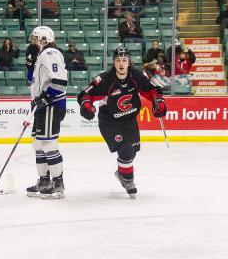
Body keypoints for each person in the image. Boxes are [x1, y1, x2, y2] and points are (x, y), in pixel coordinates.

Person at [77, 47, 166, 198]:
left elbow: (152, 91)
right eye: (118, 60)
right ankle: (128, 181)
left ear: (129, 62)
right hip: (109, 121)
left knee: (133, 152)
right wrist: (86, 105)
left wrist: (159, 102)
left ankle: (121, 173)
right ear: (114, 62)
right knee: (126, 150)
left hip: (129, 120)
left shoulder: (137, 75)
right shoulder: (105, 79)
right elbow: (86, 94)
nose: (121, 64)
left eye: (124, 60)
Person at [26, 26, 68, 199]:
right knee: (38, 144)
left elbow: (60, 81)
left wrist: (46, 98)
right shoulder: (41, 55)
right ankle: (44, 180)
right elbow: (32, 80)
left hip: (51, 105)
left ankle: (58, 184)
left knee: (49, 144)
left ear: (43, 39)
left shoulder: (50, 53)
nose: (33, 41)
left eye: (35, 38)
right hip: (42, 106)